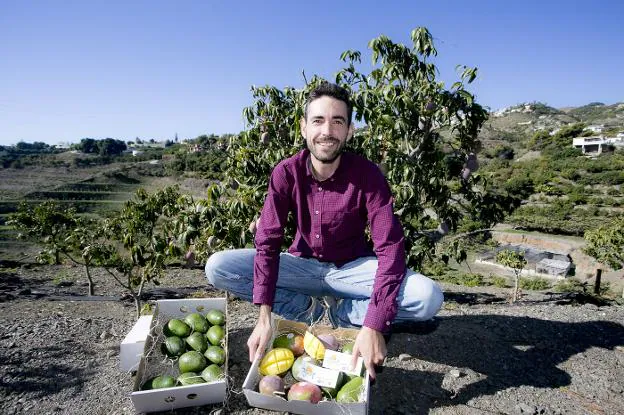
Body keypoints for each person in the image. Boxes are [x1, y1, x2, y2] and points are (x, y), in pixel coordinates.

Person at [205, 82, 443, 379]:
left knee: (428, 296)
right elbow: (268, 241)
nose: (327, 131)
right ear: (304, 127)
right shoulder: (286, 172)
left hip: (351, 270)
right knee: (219, 268)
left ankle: (344, 316)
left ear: (349, 131)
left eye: (337, 121)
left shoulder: (368, 176)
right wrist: (264, 316)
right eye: (318, 120)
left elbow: (391, 248)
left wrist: (373, 325)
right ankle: (310, 312)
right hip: (302, 266)